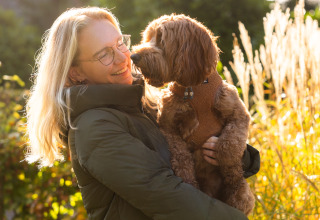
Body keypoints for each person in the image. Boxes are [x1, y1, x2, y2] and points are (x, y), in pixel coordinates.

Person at [25, 7, 260, 219]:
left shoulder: (147, 103)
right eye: (104, 54)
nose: (124, 58)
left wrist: (232, 154)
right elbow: (167, 195)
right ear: (76, 73)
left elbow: (202, 150)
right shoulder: (93, 127)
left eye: (120, 43)